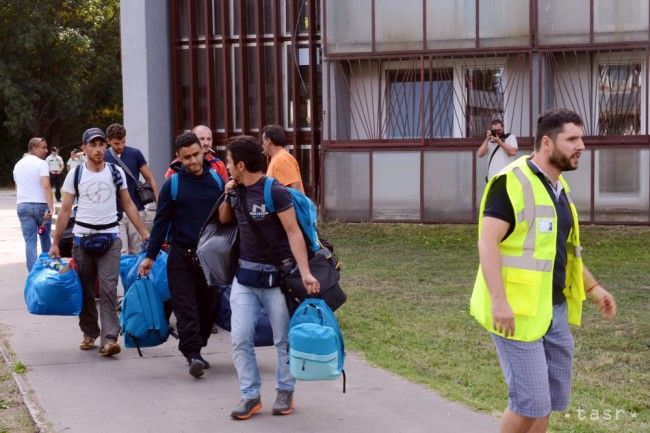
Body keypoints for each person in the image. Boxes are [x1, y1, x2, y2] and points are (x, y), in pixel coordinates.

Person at [469, 109, 617, 433]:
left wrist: (594, 290)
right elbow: (487, 243)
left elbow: (561, 255)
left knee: (547, 400)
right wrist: (499, 302)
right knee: (530, 401)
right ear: (547, 142)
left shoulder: (558, 189)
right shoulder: (510, 182)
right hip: (516, 311)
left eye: (582, 138)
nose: (582, 146)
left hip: (553, 310)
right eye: (573, 139)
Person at [217, 135, 320, 420]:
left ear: (240, 165)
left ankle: (285, 390)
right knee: (239, 339)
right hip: (244, 279)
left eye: (228, 162)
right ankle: (250, 396)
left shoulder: (275, 192)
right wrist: (228, 193)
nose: (226, 166)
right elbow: (225, 220)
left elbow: (293, 232)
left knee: (282, 340)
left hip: (276, 280)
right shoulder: (236, 191)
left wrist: (305, 272)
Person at [49, 128, 149, 357]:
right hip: (83, 240)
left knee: (108, 289)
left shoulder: (115, 172)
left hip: (110, 239)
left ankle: (110, 339)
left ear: (106, 146)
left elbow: (129, 205)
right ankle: (89, 332)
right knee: (85, 290)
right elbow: (64, 210)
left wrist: (144, 233)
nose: (98, 149)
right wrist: (55, 242)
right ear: (84, 148)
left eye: (101, 145)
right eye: (93, 145)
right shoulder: (75, 174)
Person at [139, 132, 224, 378]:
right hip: (181, 257)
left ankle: (197, 347)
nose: (193, 161)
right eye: (186, 157)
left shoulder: (217, 181)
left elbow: (225, 221)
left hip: (210, 259)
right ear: (179, 157)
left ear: (204, 151)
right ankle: (193, 354)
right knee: (185, 309)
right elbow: (161, 223)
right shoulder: (172, 185)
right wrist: (150, 257)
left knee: (208, 310)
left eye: (196, 154)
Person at [103, 123, 159, 254]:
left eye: (123, 142)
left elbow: (150, 177)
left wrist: (159, 203)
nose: (121, 146)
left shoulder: (135, 154)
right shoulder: (103, 157)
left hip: (137, 211)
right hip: (115, 214)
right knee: (121, 255)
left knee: (139, 253)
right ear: (108, 141)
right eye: (117, 143)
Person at [13, 137, 54, 271]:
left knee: (30, 242)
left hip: (22, 206)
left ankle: (33, 274)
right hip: (40, 206)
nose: (46, 150)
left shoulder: (18, 164)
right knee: (45, 238)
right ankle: (47, 271)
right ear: (33, 148)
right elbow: (46, 186)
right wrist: (51, 207)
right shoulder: (41, 163)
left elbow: (18, 186)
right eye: (43, 147)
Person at [262, 124, 305, 193]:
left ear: (268, 142)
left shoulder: (282, 159)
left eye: (263, 141)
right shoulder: (278, 158)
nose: (262, 145)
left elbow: (295, 188)